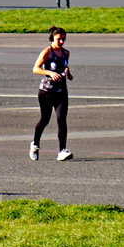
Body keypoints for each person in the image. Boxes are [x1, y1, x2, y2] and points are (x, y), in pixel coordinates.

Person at [30, 26, 73, 161]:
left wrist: (69, 74)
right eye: (58, 39)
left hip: (61, 91)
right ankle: (35, 144)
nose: (61, 42)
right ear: (52, 38)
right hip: (46, 92)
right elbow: (36, 68)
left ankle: (62, 151)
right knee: (45, 119)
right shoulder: (47, 52)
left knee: (61, 119)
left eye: (63, 39)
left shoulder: (66, 53)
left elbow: (64, 66)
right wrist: (49, 72)